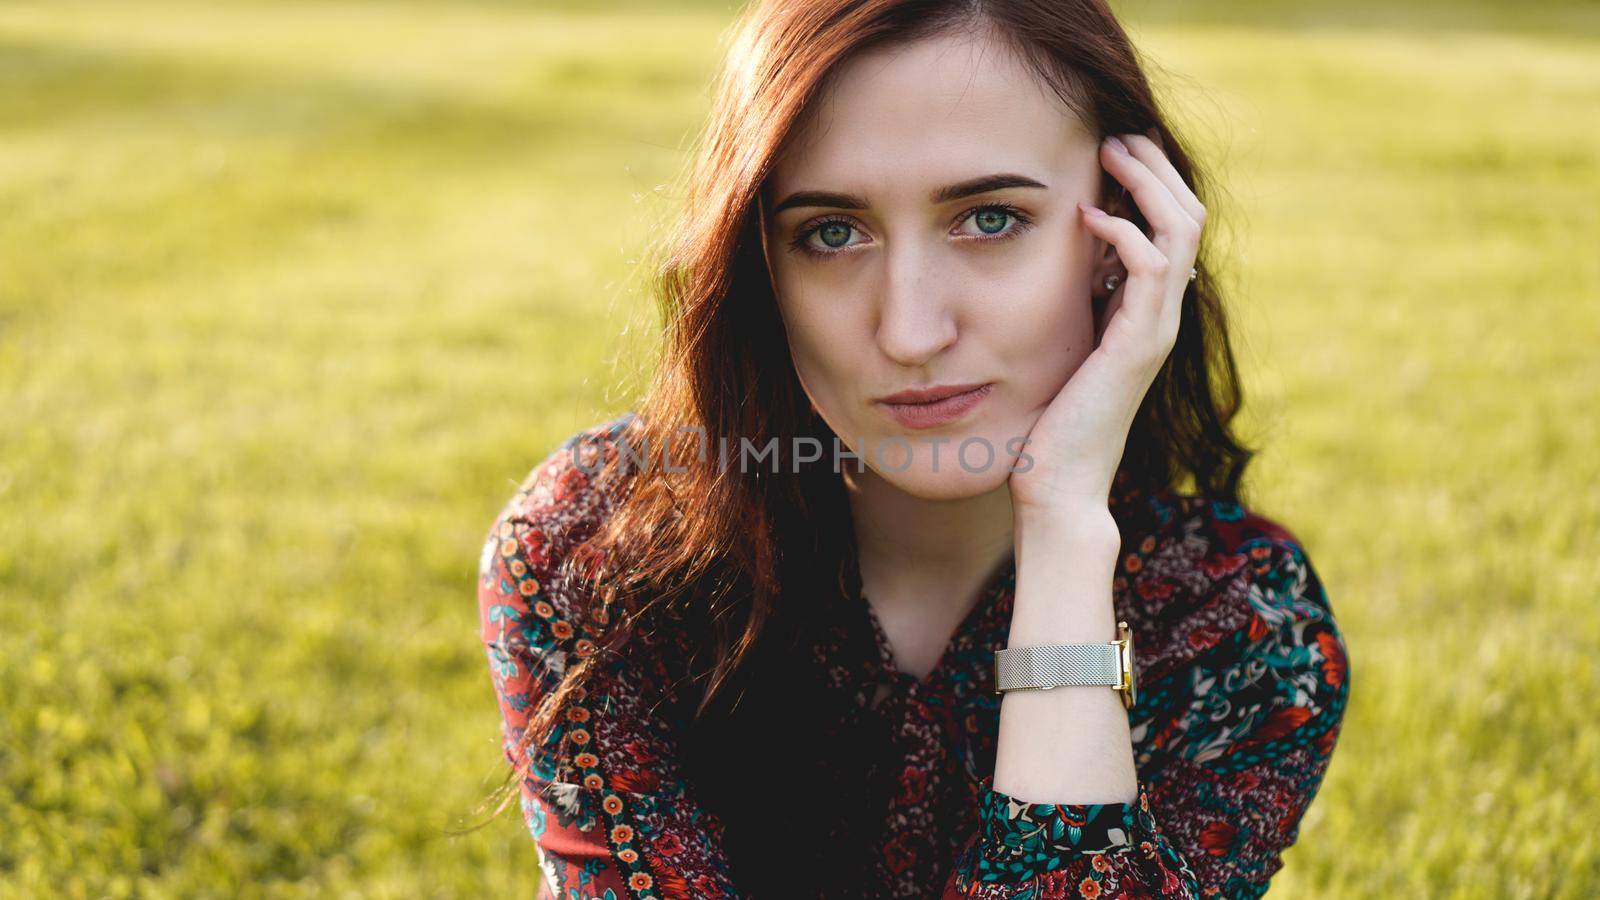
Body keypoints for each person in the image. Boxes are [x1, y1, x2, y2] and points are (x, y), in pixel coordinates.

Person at [476, 1, 1350, 897]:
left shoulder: (1242, 626)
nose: (910, 330)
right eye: (831, 232)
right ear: (759, 265)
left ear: (1122, 233)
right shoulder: (598, 546)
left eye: (990, 219)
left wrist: (1063, 535)